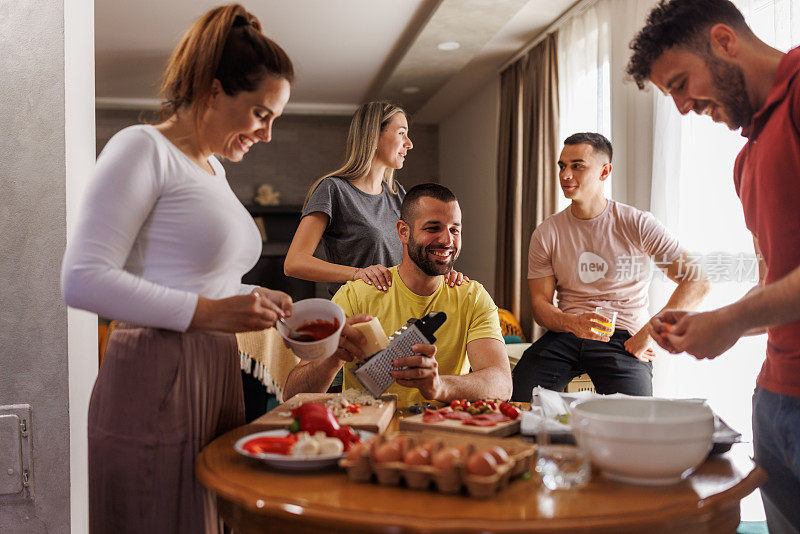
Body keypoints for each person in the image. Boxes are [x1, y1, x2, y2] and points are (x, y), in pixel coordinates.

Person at [61, 5, 294, 532]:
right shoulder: (142, 148)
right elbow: (82, 278)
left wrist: (264, 302)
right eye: (261, 113)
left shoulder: (210, 169)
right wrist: (211, 311)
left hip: (214, 368)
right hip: (157, 369)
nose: (267, 134)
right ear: (214, 91)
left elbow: (193, 274)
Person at [627, 1, 800, 530]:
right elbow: (777, 285)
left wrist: (728, 322)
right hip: (775, 398)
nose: (680, 107)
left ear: (725, 41)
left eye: (680, 83)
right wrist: (712, 323)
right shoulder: (746, 161)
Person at [510, 133, 709, 401]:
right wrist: (571, 323)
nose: (566, 175)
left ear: (604, 172)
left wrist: (648, 335)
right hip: (567, 333)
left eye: (577, 166)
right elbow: (540, 305)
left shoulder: (636, 223)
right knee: (519, 401)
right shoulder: (547, 232)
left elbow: (697, 281)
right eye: (562, 166)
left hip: (623, 339)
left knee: (632, 422)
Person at [283, 183, 512, 406]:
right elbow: (292, 395)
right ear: (403, 232)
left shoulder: (472, 297)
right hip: (369, 430)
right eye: (433, 228)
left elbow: (502, 385)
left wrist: (439, 386)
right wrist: (332, 358)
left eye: (454, 230)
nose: (447, 240)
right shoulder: (356, 295)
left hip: (443, 430)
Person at [284, 101, 465, 297]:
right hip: (355, 314)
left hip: (398, 312)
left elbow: (413, 257)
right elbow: (294, 262)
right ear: (375, 136)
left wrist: (440, 273)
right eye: (401, 133)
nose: (409, 143)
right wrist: (357, 274)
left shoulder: (398, 195)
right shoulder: (333, 190)